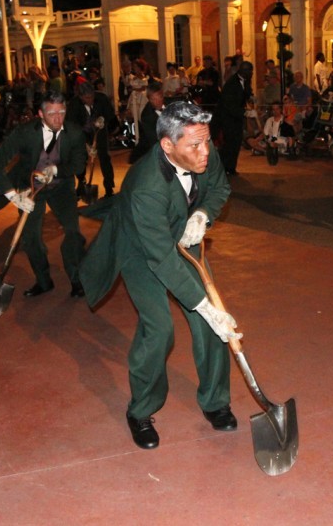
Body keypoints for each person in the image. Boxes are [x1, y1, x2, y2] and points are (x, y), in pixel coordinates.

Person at [79, 101, 238, 450]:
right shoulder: (146, 185)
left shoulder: (201, 151)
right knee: (160, 328)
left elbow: (220, 188)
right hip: (142, 247)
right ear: (168, 145)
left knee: (211, 328)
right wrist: (206, 307)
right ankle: (140, 410)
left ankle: (215, 401)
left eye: (207, 141)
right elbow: (162, 259)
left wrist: (202, 215)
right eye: (194, 145)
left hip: (185, 233)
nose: (205, 151)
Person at [0, 91, 88, 297]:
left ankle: (77, 279)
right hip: (30, 188)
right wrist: (13, 195)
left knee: (73, 232)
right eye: (52, 114)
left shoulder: (75, 132)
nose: (58, 119)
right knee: (31, 238)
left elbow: (79, 164)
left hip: (61, 187)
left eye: (62, 112)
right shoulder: (25, 133)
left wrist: (57, 170)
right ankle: (43, 281)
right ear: (41, 114)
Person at [67, 81, 116, 198]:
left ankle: (109, 188)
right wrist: (86, 145)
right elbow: (72, 125)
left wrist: (102, 120)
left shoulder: (102, 99)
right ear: (81, 97)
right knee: (80, 158)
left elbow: (110, 115)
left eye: (92, 96)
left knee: (104, 157)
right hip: (81, 133)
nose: (91, 100)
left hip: (100, 131)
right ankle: (81, 183)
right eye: (87, 98)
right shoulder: (74, 105)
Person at [216, 61, 253, 176]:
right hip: (228, 118)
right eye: (249, 70)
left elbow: (246, 93)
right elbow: (229, 105)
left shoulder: (245, 80)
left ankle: (231, 168)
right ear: (243, 70)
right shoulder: (231, 84)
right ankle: (222, 168)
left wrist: (251, 98)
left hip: (236, 117)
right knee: (229, 144)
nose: (251, 73)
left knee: (236, 143)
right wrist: (245, 113)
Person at [129, 80, 164, 164]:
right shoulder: (147, 116)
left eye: (158, 98)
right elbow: (154, 140)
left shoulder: (172, 103)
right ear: (149, 99)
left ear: (162, 96)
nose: (156, 102)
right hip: (148, 150)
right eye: (153, 99)